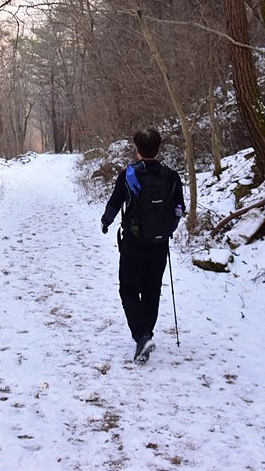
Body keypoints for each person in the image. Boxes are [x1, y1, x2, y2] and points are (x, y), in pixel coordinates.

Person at [101, 127, 185, 363]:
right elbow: (179, 208)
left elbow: (115, 202)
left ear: (137, 150)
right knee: (151, 290)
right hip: (159, 244)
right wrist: (168, 229)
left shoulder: (129, 175)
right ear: (158, 149)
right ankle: (146, 334)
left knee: (128, 289)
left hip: (133, 242)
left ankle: (141, 335)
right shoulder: (171, 176)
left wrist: (106, 221)